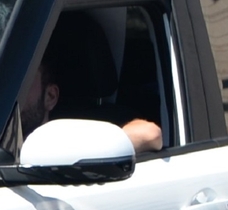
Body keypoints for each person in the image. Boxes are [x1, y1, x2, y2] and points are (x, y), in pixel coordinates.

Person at [14, 44, 164, 155]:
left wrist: (70, 149)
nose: (14, 92)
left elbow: (151, 134)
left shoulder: (71, 133)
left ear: (50, 96)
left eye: (24, 82)